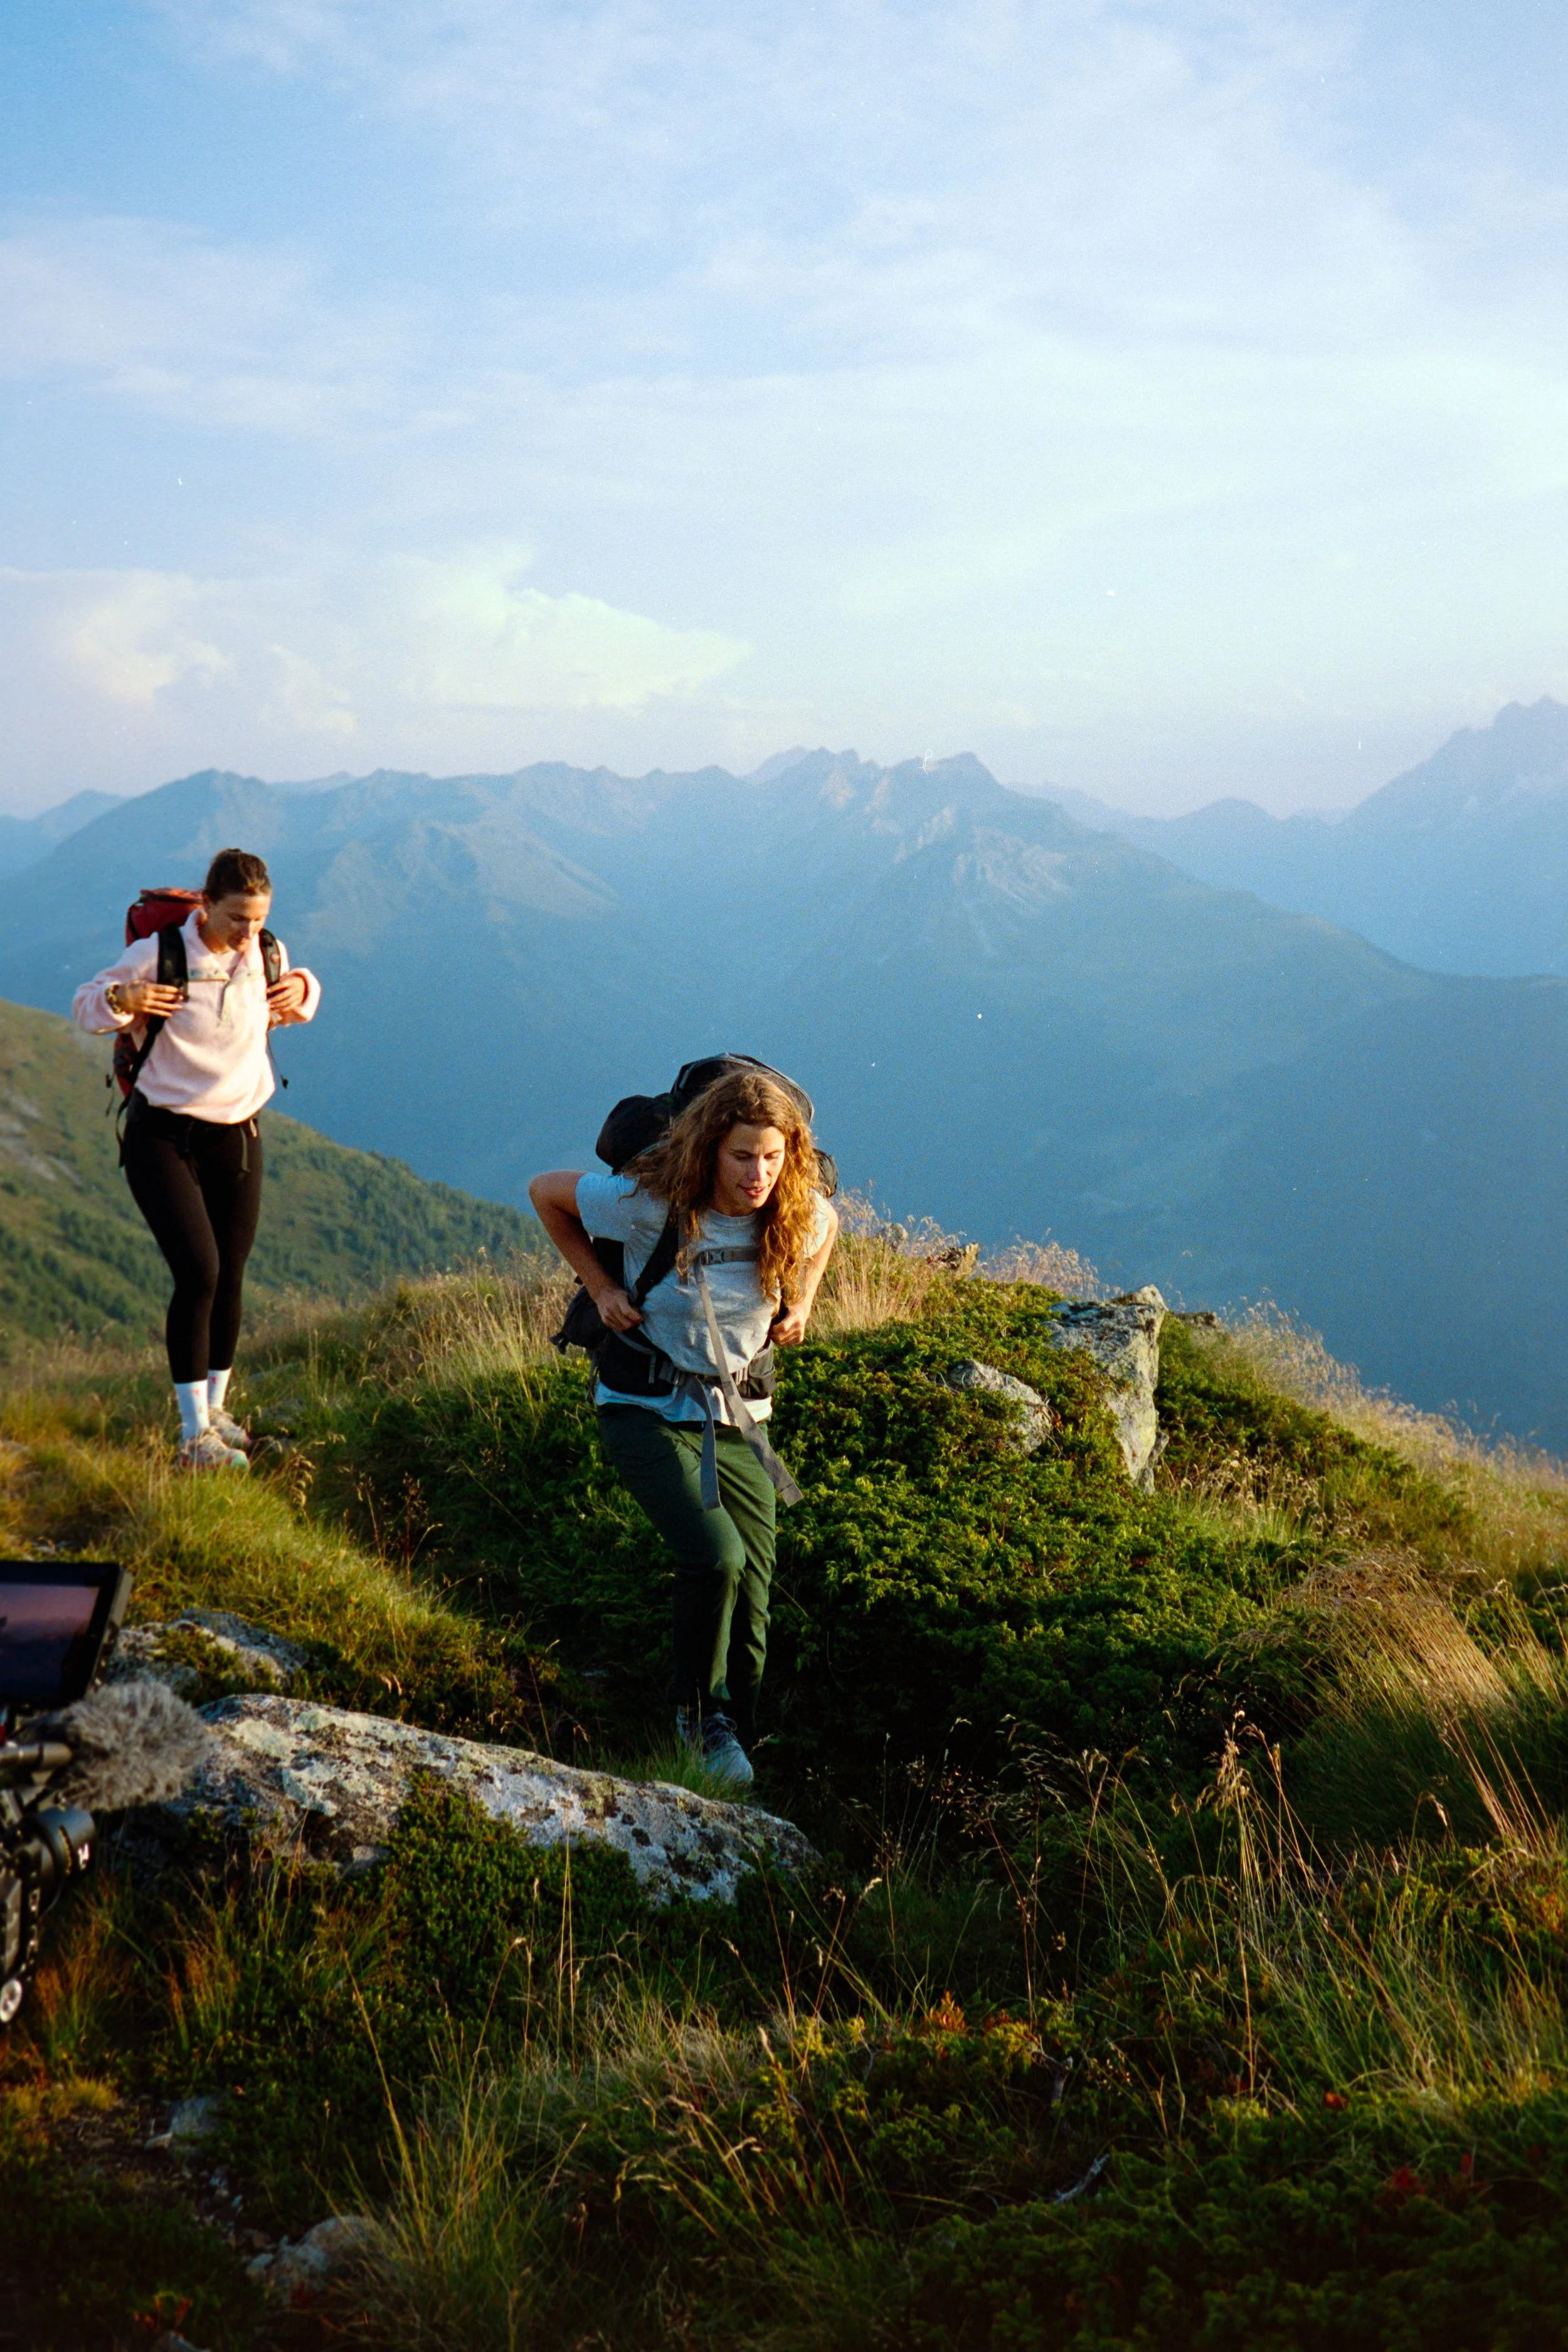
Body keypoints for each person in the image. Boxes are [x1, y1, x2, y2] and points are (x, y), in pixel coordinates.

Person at [530, 1068, 838, 1786]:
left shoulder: (795, 1208)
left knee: (756, 1583)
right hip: (641, 1407)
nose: (758, 1174)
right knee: (716, 1557)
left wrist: (804, 1302)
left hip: (736, 1417)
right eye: (741, 1156)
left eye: (772, 1156)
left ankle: (742, 1729)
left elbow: (828, 1230)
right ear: (709, 1148)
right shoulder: (647, 1203)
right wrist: (601, 1289)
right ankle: (697, 1719)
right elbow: (546, 1192)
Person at [73, 847, 320, 1471]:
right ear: (205, 905)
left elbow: (292, 1004)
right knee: (200, 1272)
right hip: (163, 1135)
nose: (248, 933)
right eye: (237, 919)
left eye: (258, 920)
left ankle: (218, 1414)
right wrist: (123, 999)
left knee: (231, 1275)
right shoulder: (160, 954)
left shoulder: (265, 955)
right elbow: (85, 1007)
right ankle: (192, 1438)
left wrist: (304, 989)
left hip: (237, 1134)